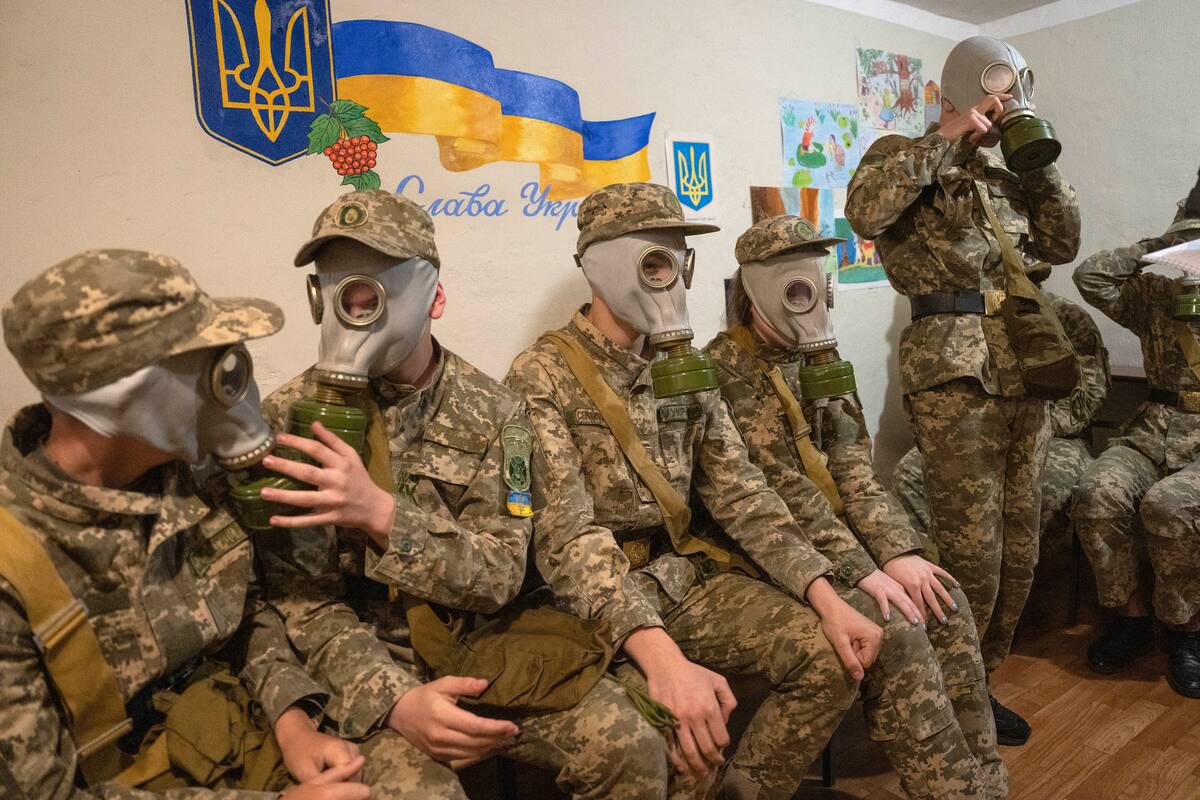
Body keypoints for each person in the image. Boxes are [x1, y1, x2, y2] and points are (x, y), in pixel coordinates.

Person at [253, 190, 671, 800]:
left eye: (376, 294)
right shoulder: (289, 420)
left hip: (481, 646)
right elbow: (302, 603)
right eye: (345, 291)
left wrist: (380, 515)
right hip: (362, 661)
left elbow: (500, 572)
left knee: (633, 749)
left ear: (435, 299)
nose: (359, 310)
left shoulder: (500, 414)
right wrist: (392, 701)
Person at [505, 182, 883, 800]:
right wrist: (661, 658)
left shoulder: (681, 367)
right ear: (600, 266)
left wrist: (824, 592)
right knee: (684, 743)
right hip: (592, 602)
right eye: (653, 261)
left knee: (829, 653)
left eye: (678, 260)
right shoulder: (540, 375)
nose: (669, 277)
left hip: (681, 577)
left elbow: (743, 494)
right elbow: (566, 538)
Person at [0, 249, 398, 799]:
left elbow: (244, 610)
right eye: (205, 358)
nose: (229, 377)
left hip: (237, 729)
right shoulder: (12, 564)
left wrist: (293, 723)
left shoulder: (191, 473)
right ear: (123, 395)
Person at [704, 214, 1007, 799]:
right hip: (770, 549)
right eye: (793, 283)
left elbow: (854, 470)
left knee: (942, 596)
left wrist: (899, 552)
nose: (809, 293)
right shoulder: (723, 373)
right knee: (895, 622)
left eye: (815, 278)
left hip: (830, 536)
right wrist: (864, 571)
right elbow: (783, 497)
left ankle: (983, 776)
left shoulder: (820, 359)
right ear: (755, 289)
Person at [845, 35, 1080, 746]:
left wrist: (1035, 160)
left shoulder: (1011, 175)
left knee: (1020, 553)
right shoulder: (900, 154)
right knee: (969, 556)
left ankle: (978, 682)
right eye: (996, 89)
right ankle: (943, 692)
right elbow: (863, 212)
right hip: (955, 379)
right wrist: (947, 136)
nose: (1004, 101)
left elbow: (1063, 244)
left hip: (1024, 372)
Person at [1070, 174, 1200, 697]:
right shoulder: (1157, 285)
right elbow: (1091, 276)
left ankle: (1187, 630)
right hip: (1153, 428)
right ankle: (1129, 616)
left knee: (1170, 505)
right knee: (1095, 492)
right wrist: (1169, 244)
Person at [893, 261, 1111, 560]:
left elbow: (1090, 395)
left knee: (1047, 488)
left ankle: (1025, 580)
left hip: (1058, 437)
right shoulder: (969, 320)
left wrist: (1044, 422)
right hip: (982, 428)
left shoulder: (1063, 315)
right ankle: (939, 568)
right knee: (909, 473)